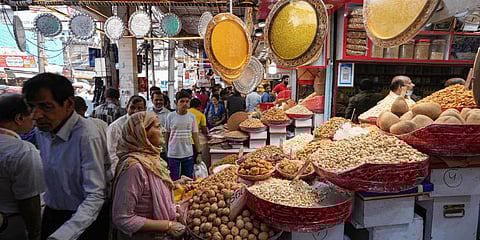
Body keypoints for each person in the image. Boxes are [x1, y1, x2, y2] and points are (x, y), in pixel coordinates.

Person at [22, 73, 110, 240]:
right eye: (31, 107)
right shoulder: (43, 129)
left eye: (46, 106)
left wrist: (63, 235)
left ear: (68, 104)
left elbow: (95, 195)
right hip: (53, 213)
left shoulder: (87, 135)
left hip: (85, 220)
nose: (36, 115)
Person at [111, 112, 186, 240]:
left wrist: (174, 184)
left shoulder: (151, 159)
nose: (162, 130)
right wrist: (167, 225)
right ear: (142, 133)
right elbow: (123, 218)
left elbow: (150, 190)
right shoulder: (134, 168)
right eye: (157, 127)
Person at [0, 93, 44, 240]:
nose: (35, 118)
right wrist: (35, 233)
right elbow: (30, 202)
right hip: (10, 227)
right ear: (19, 118)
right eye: (31, 114)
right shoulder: (23, 151)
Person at [107, 95, 147, 175]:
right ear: (127, 107)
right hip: (123, 171)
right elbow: (112, 154)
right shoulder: (116, 127)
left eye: (139, 108)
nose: (135, 111)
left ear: (145, 109)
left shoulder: (147, 124)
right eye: (132, 107)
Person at [165, 90, 200, 181]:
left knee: (188, 180)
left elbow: (195, 135)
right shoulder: (170, 116)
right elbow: (167, 135)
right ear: (176, 103)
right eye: (182, 101)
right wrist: (166, 150)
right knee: (174, 180)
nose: (185, 104)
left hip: (188, 153)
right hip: (173, 154)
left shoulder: (192, 117)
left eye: (187, 101)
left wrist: (199, 153)